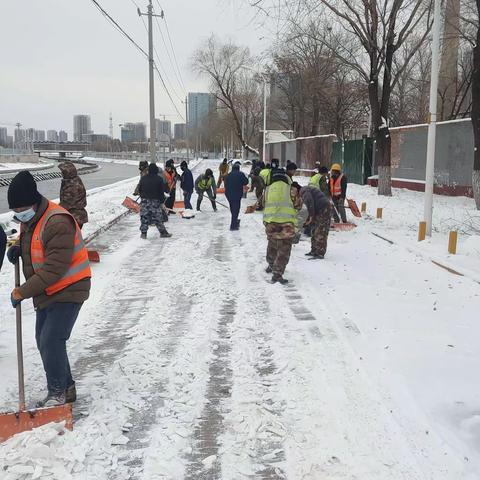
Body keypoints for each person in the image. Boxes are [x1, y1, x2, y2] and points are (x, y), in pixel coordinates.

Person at [6, 171, 91, 407]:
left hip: (70, 287)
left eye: (22, 209)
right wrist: (17, 249)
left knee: (51, 339)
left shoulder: (57, 221)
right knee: (43, 339)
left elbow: (54, 269)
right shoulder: (31, 219)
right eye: (16, 211)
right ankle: (66, 387)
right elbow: (33, 244)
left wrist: (22, 291)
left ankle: (57, 394)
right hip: (49, 290)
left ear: (33, 201)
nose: (19, 215)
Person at [263, 169, 302, 284]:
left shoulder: (267, 189)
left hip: (271, 223)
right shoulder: (291, 190)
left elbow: (264, 203)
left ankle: (271, 265)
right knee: (283, 249)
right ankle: (277, 274)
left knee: (272, 245)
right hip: (287, 225)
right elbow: (298, 205)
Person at [138, 163, 172, 239]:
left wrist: (143, 198)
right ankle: (163, 233)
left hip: (144, 201)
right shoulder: (159, 179)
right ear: (156, 170)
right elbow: (161, 192)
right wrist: (162, 202)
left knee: (144, 217)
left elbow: (139, 189)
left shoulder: (143, 178)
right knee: (158, 218)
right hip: (155, 201)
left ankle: (143, 234)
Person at [298, 184, 331, 259]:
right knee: (314, 229)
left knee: (320, 231)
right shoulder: (305, 190)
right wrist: (309, 218)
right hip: (318, 210)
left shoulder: (304, 191)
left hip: (324, 209)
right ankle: (314, 250)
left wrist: (311, 216)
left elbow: (310, 203)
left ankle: (320, 253)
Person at [58, 161, 88, 229]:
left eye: (63, 172)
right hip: (76, 216)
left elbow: (66, 204)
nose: (61, 173)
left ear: (67, 172)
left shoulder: (72, 185)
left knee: (71, 238)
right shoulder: (73, 180)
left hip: (75, 217)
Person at [225, 161, 249, 231]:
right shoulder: (241, 174)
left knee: (233, 208)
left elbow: (226, 184)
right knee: (236, 209)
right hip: (237, 194)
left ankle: (235, 221)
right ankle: (233, 226)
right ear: (238, 168)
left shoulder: (228, 175)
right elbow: (246, 182)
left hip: (229, 194)